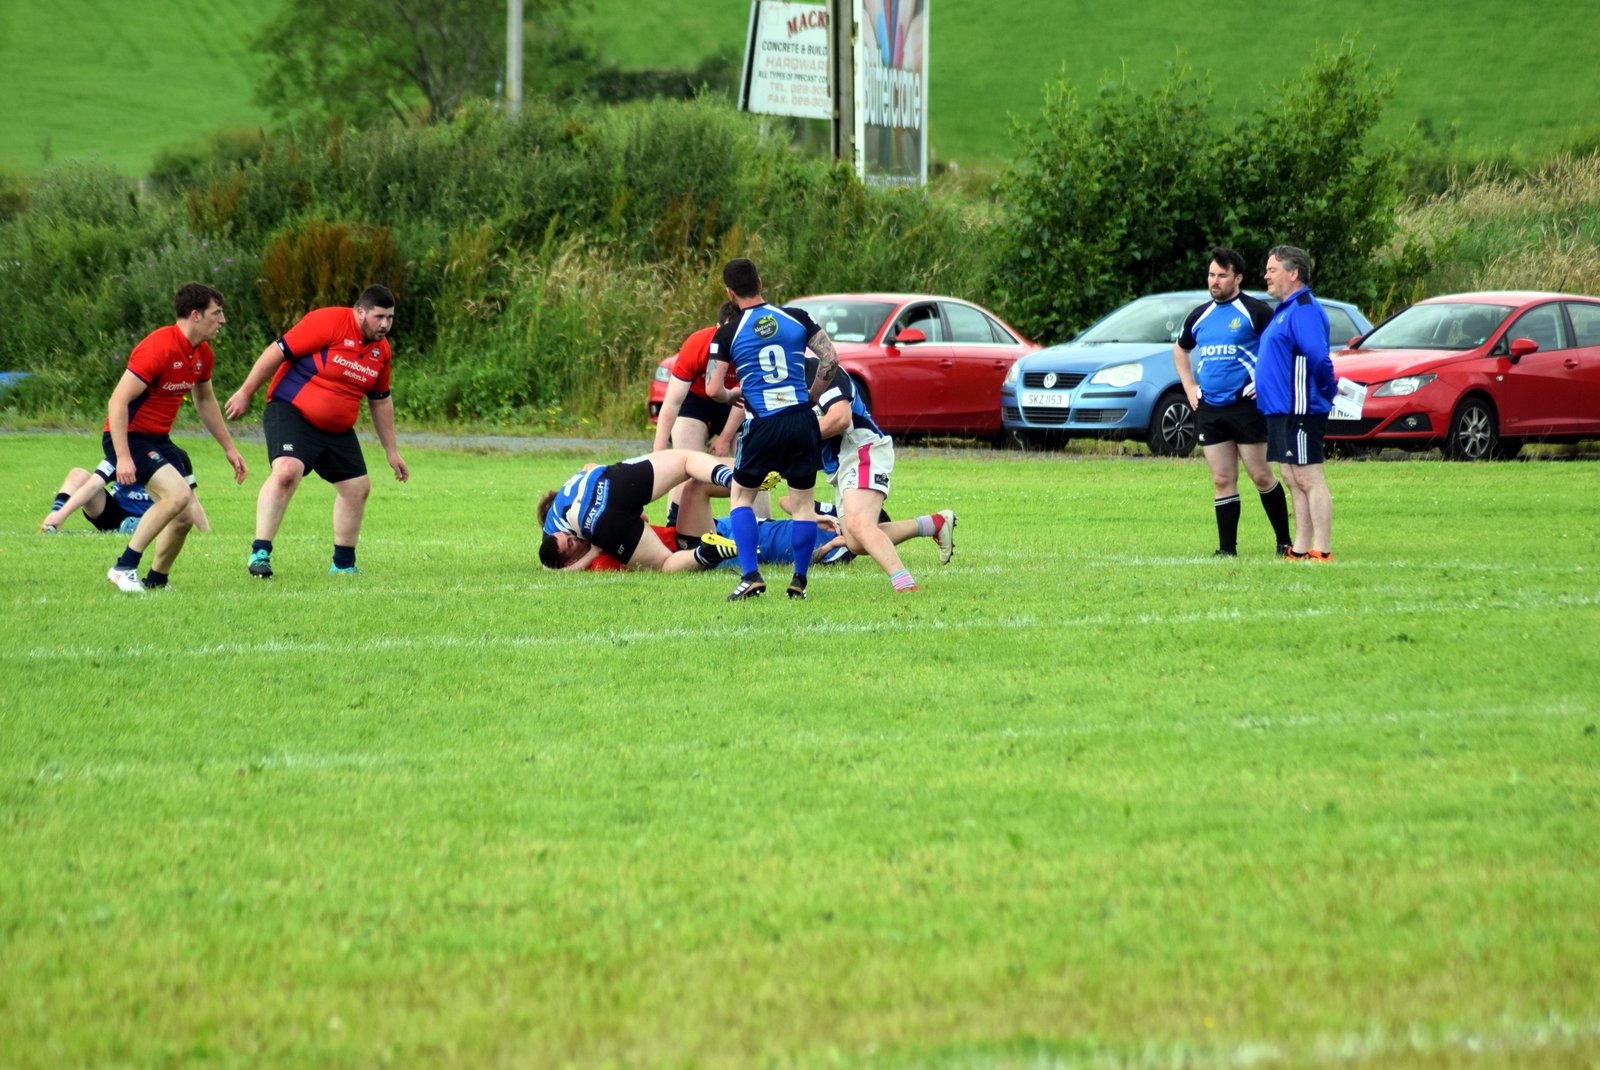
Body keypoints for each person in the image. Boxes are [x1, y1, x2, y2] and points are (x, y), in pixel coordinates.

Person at [224, 285, 409, 578]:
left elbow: (381, 399)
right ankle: (260, 553)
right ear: (360, 312)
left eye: (390, 318)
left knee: (357, 487)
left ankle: (343, 566)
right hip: (292, 411)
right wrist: (246, 392)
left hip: (337, 429)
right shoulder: (329, 322)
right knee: (287, 471)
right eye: (379, 317)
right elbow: (277, 351)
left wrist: (392, 451)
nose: (385, 324)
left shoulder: (381, 351)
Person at [704, 258, 841, 601]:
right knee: (803, 504)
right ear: (760, 283)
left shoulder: (728, 331)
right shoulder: (796, 317)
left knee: (741, 497)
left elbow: (712, 388)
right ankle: (799, 580)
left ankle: (750, 575)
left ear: (730, 293)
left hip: (762, 423)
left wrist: (731, 395)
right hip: (801, 420)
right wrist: (812, 396)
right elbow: (831, 359)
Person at [101, 283, 248, 592]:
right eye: (216, 313)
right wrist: (123, 456)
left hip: (158, 440)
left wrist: (229, 448)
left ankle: (157, 581)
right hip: (130, 437)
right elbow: (117, 401)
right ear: (195, 315)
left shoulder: (202, 353)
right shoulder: (159, 347)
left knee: (184, 516)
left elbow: (205, 401)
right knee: (179, 495)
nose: (222, 320)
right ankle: (124, 567)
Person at [1173, 246, 1294, 557]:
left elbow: (1281, 347)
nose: (1215, 281)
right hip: (1210, 408)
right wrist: (1189, 387)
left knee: (1261, 475)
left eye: (1222, 276)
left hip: (1246, 407)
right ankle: (1227, 550)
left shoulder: (1255, 311)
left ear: (1238, 278)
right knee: (1222, 479)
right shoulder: (1200, 315)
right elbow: (1181, 349)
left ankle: (1284, 543)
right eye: (1211, 275)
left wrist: (1265, 383)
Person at [815, 364, 953, 590]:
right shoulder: (779, 391)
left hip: (861, 448)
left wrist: (797, 434)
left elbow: (840, 417)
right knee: (856, 543)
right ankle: (935, 523)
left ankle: (906, 585)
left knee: (859, 524)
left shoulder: (821, 370)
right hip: (838, 466)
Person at [538, 449, 741, 572]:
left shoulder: (552, 536)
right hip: (605, 480)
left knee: (664, 564)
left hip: (600, 513)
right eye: (570, 542)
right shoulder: (566, 497)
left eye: (570, 538)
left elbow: (549, 569)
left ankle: (704, 553)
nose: (575, 538)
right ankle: (736, 480)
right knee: (686, 461)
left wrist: (593, 552)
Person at [1257, 245, 1335, 561]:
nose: (1266, 276)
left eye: (1272, 270)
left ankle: (1322, 549)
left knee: (1308, 477)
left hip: (1300, 409)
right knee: (1292, 479)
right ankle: (1300, 548)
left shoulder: (1304, 309)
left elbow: (1317, 356)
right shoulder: (1285, 309)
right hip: (1280, 410)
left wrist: (1328, 391)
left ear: (1293, 273)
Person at [653, 300, 748, 526]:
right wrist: (658, 450)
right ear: (717, 327)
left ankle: (759, 527)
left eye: (734, 335)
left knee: (749, 467)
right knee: (684, 463)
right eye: (724, 334)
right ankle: (675, 529)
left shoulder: (750, 347)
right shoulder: (698, 343)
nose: (729, 341)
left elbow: (746, 400)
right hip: (696, 399)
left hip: (735, 402)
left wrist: (724, 437)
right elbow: (672, 401)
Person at [41, 452, 208, 535]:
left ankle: (139, 528)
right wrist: (60, 514)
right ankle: (50, 527)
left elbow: (192, 500)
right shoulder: (121, 454)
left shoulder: (176, 455)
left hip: (156, 518)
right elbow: (92, 485)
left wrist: (205, 534)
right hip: (117, 514)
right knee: (79, 475)